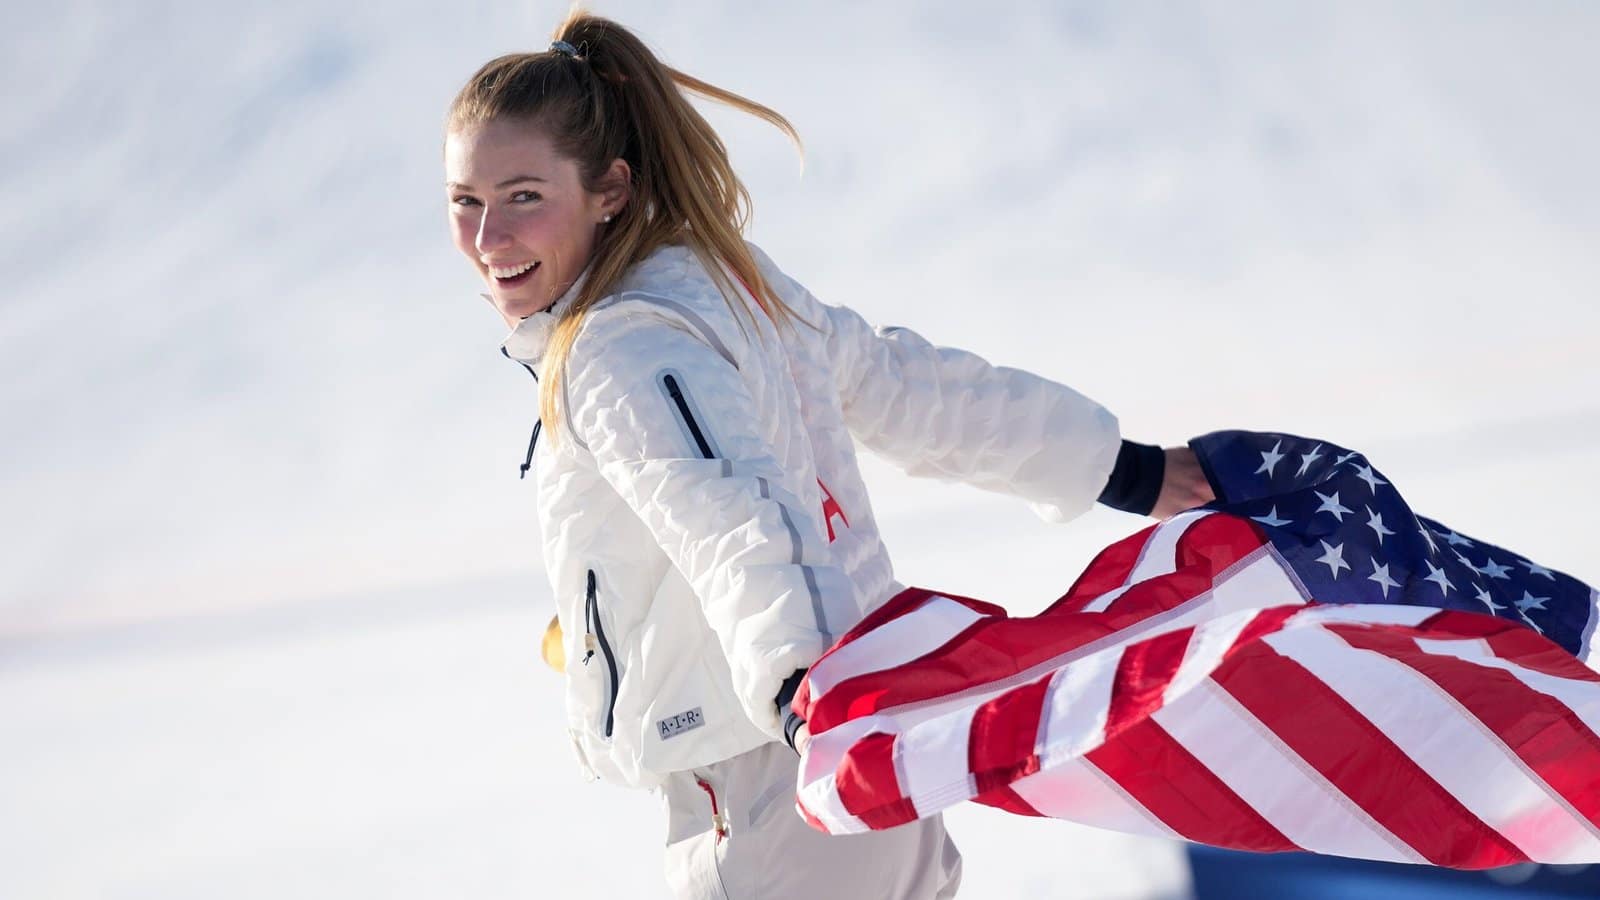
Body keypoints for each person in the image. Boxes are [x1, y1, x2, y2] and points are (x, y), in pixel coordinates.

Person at [443, 12, 1215, 899]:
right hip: (865, 768)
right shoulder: (727, 283)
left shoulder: (621, 347)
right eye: (467, 201)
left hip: (782, 786)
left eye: (524, 196)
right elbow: (910, 388)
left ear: (610, 188)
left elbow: (729, 515)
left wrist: (801, 688)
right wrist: (1126, 468)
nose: (489, 238)